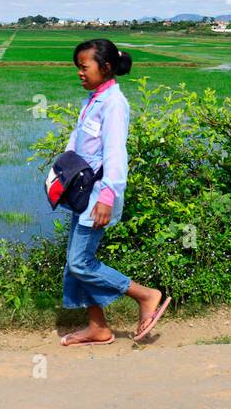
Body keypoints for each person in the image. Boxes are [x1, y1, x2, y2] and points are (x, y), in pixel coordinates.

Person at [58, 38, 170, 345]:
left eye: (84, 67)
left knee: (81, 262)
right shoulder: (94, 99)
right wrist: (61, 172)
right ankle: (98, 327)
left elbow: (116, 154)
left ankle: (146, 295)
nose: (79, 72)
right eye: (77, 67)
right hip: (82, 194)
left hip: (98, 197)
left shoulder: (114, 104)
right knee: (75, 263)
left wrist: (108, 197)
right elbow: (78, 142)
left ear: (105, 68)